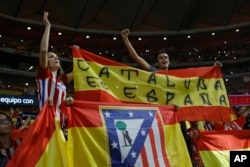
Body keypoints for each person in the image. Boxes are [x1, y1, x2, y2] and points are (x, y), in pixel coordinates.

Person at [121, 28, 222, 72]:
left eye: (165, 57)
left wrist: (213, 69)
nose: (164, 59)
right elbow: (136, 58)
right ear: (157, 63)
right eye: (161, 58)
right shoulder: (154, 71)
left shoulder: (176, 76)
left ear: (169, 61)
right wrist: (125, 39)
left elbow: (197, 75)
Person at [36, 11, 74, 125]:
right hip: (46, 125)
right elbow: (43, 51)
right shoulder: (44, 75)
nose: (56, 58)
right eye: (52, 57)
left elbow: (80, 70)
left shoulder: (61, 81)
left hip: (60, 127)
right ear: (46, 62)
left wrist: (78, 55)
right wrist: (48, 26)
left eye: (57, 57)